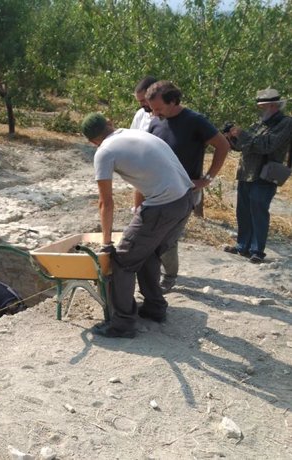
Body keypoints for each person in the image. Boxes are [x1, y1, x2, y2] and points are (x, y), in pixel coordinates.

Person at [81, 113, 194, 338]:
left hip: (163, 205)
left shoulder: (104, 151)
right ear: (110, 123)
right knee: (148, 254)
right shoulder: (137, 134)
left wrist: (106, 243)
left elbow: (106, 202)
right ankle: (154, 308)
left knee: (122, 261)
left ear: (92, 141)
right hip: (185, 199)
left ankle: (122, 324)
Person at [146, 80, 230, 292]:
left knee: (167, 237)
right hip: (156, 190)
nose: (154, 113)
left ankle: (169, 277)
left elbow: (223, 145)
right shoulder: (156, 122)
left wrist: (208, 178)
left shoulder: (195, 121)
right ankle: (155, 273)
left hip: (184, 192)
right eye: (151, 109)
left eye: (158, 108)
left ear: (173, 101)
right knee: (151, 234)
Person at [222, 88, 292, 264]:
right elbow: (243, 146)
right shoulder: (259, 123)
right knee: (243, 212)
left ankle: (257, 251)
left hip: (265, 174)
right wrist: (231, 137)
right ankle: (242, 246)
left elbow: (267, 146)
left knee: (258, 212)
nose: (260, 108)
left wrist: (242, 134)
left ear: (273, 105)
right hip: (246, 172)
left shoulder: (286, 123)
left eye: (263, 105)